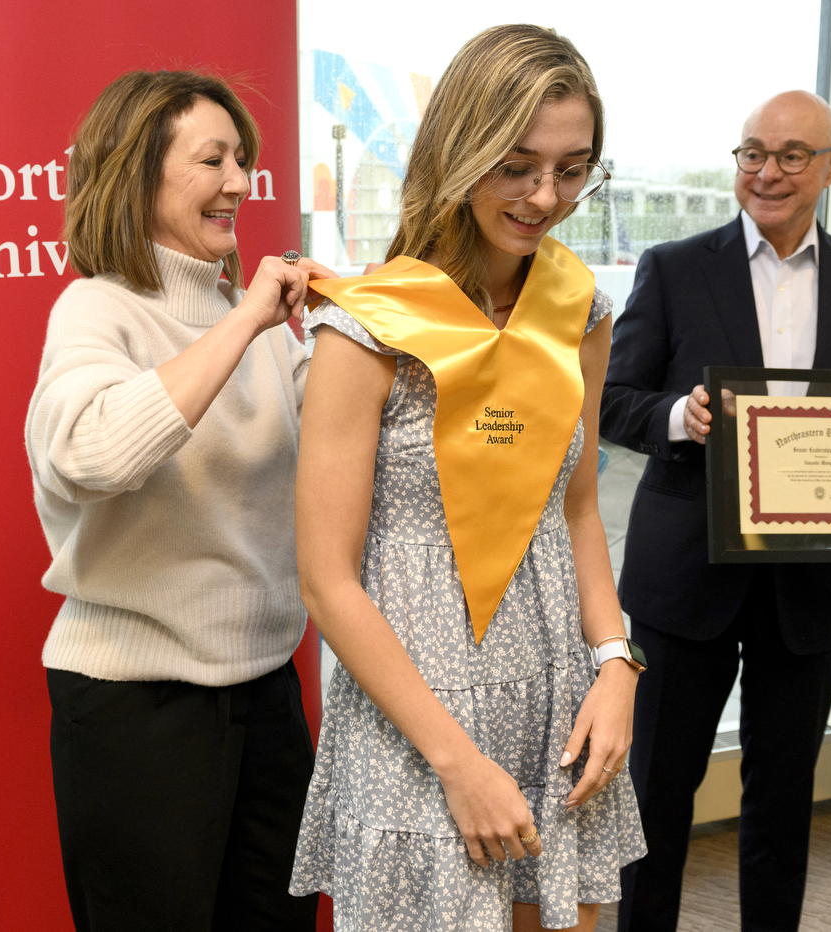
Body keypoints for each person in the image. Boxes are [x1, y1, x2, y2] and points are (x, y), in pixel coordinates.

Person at [290, 25, 646, 932]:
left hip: (553, 699)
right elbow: (327, 582)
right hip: (418, 723)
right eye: (516, 164)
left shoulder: (581, 314)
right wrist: (458, 762)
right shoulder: (366, 328)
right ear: (460, 148)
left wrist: (617, 665)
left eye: (573, 170)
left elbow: (578, 511)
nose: (544, 197)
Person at [599, 90, 831, 932]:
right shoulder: (675, 268)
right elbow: (613, 401)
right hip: (687, 582)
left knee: (784, 803)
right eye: (752, 152)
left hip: (810, 588)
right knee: (657, 797)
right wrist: (682, 417)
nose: (768, 172)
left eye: (792, 155)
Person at [24, 69, 332, 931]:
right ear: (138, 174)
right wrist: (244, 325)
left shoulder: (258, 319)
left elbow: (335, 454)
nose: (240, 182)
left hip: (265, 693)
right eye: (213, 159)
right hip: (137, 709)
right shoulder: (97, 309)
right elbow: (91, 453)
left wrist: (348, 334)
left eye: (242, 160)